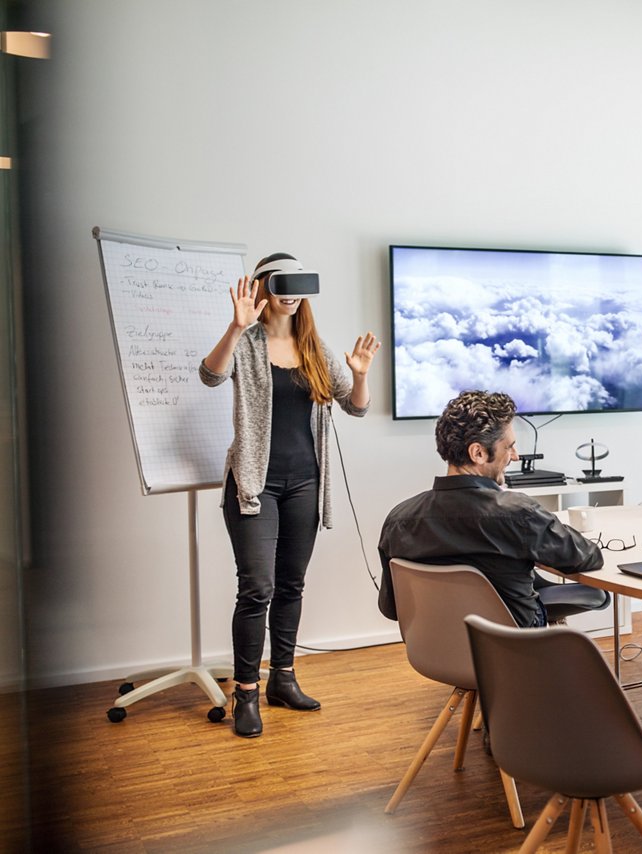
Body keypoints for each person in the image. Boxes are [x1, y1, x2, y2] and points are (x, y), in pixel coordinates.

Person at [201, 252, 380, 738]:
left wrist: (360, 373)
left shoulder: (313, 346)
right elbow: (211, 375)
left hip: (305, 483)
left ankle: (283, 678)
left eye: (300, 282)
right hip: (254, 483)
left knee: (291, 586)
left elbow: (356, 408)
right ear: (264, 287)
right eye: (284, 282)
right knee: (256, 588)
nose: (293, 291)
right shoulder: (249, 341)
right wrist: (236, 327)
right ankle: (245, 692)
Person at [377, 390, 609, 628]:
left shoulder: (398, 520)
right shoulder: (519, 513)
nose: (515, 456)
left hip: (435, 650)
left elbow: (392, 608)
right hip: (514, 649)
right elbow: (588, 556)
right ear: (478, 453)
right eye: (509, 447)